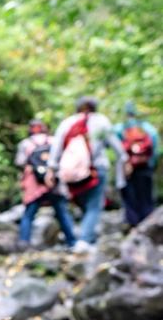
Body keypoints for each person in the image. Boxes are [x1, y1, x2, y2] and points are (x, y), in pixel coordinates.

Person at [46, 96, 128, 252]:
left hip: (70, 173)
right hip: (96, 169)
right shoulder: (101, 121)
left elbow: (56, 146)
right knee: (94, 206)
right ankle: (84, 240)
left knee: (82, 203)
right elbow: (116, 146)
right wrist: (124, 160)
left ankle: (83, 237)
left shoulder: (67, 122)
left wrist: (51, 169)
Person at [15, 119, 76, 249]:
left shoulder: (25, 144)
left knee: (28, 215)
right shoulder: (54, 141)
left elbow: (20, 163)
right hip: (54, 183)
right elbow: (64, 159)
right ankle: (72, 242)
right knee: (62, 213)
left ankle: (24, 242)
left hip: (34, 186)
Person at [115, 101, 159, 226]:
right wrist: (150, 163)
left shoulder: (120, 128)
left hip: (128, 169)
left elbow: (116, 148)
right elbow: (154, 148)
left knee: (130, 197)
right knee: (146, 196)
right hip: (145, 167)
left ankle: (133, 224)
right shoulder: (147, 128)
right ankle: (148, 224)